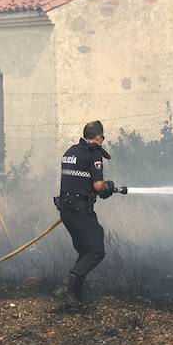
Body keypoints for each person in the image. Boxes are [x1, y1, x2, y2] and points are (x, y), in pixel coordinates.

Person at [53, 120, 121, 308]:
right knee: (96, 251)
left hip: (66, 211)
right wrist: (109, 187)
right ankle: (67, 286)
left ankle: (74, 297)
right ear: (99, 137)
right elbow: (99, 186)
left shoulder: (70, 152)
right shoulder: (94, 153)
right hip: (80, 210)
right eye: (102, 138)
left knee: (84, 251)